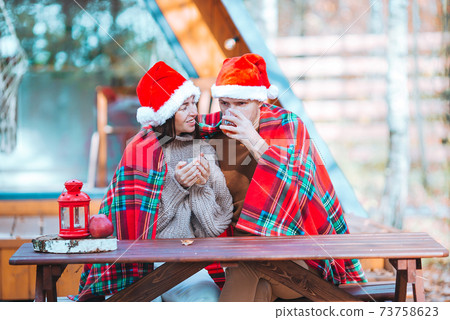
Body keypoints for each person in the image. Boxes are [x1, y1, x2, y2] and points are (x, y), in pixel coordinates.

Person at [197, 53, 366, 302]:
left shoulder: (287, 125)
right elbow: (164, 129)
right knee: (254, 278)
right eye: (224, 103)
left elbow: (299, 186)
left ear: (259, 101)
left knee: (247, 261)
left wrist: (252, 140)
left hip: (300, 255)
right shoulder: (213, 132)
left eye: (241, 104)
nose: (231, 112)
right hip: (240, 255)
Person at [71, 61, 233, 302]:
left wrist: (199, 186)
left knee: (208, 300)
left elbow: (214, 227)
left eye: (193, 103)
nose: (194, 113)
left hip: (187, 262)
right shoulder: (141, 151)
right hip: (141, 262)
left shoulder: (204, 150)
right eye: (183, 107)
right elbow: (139, 230)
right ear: (166, 113)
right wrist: (177, 187)